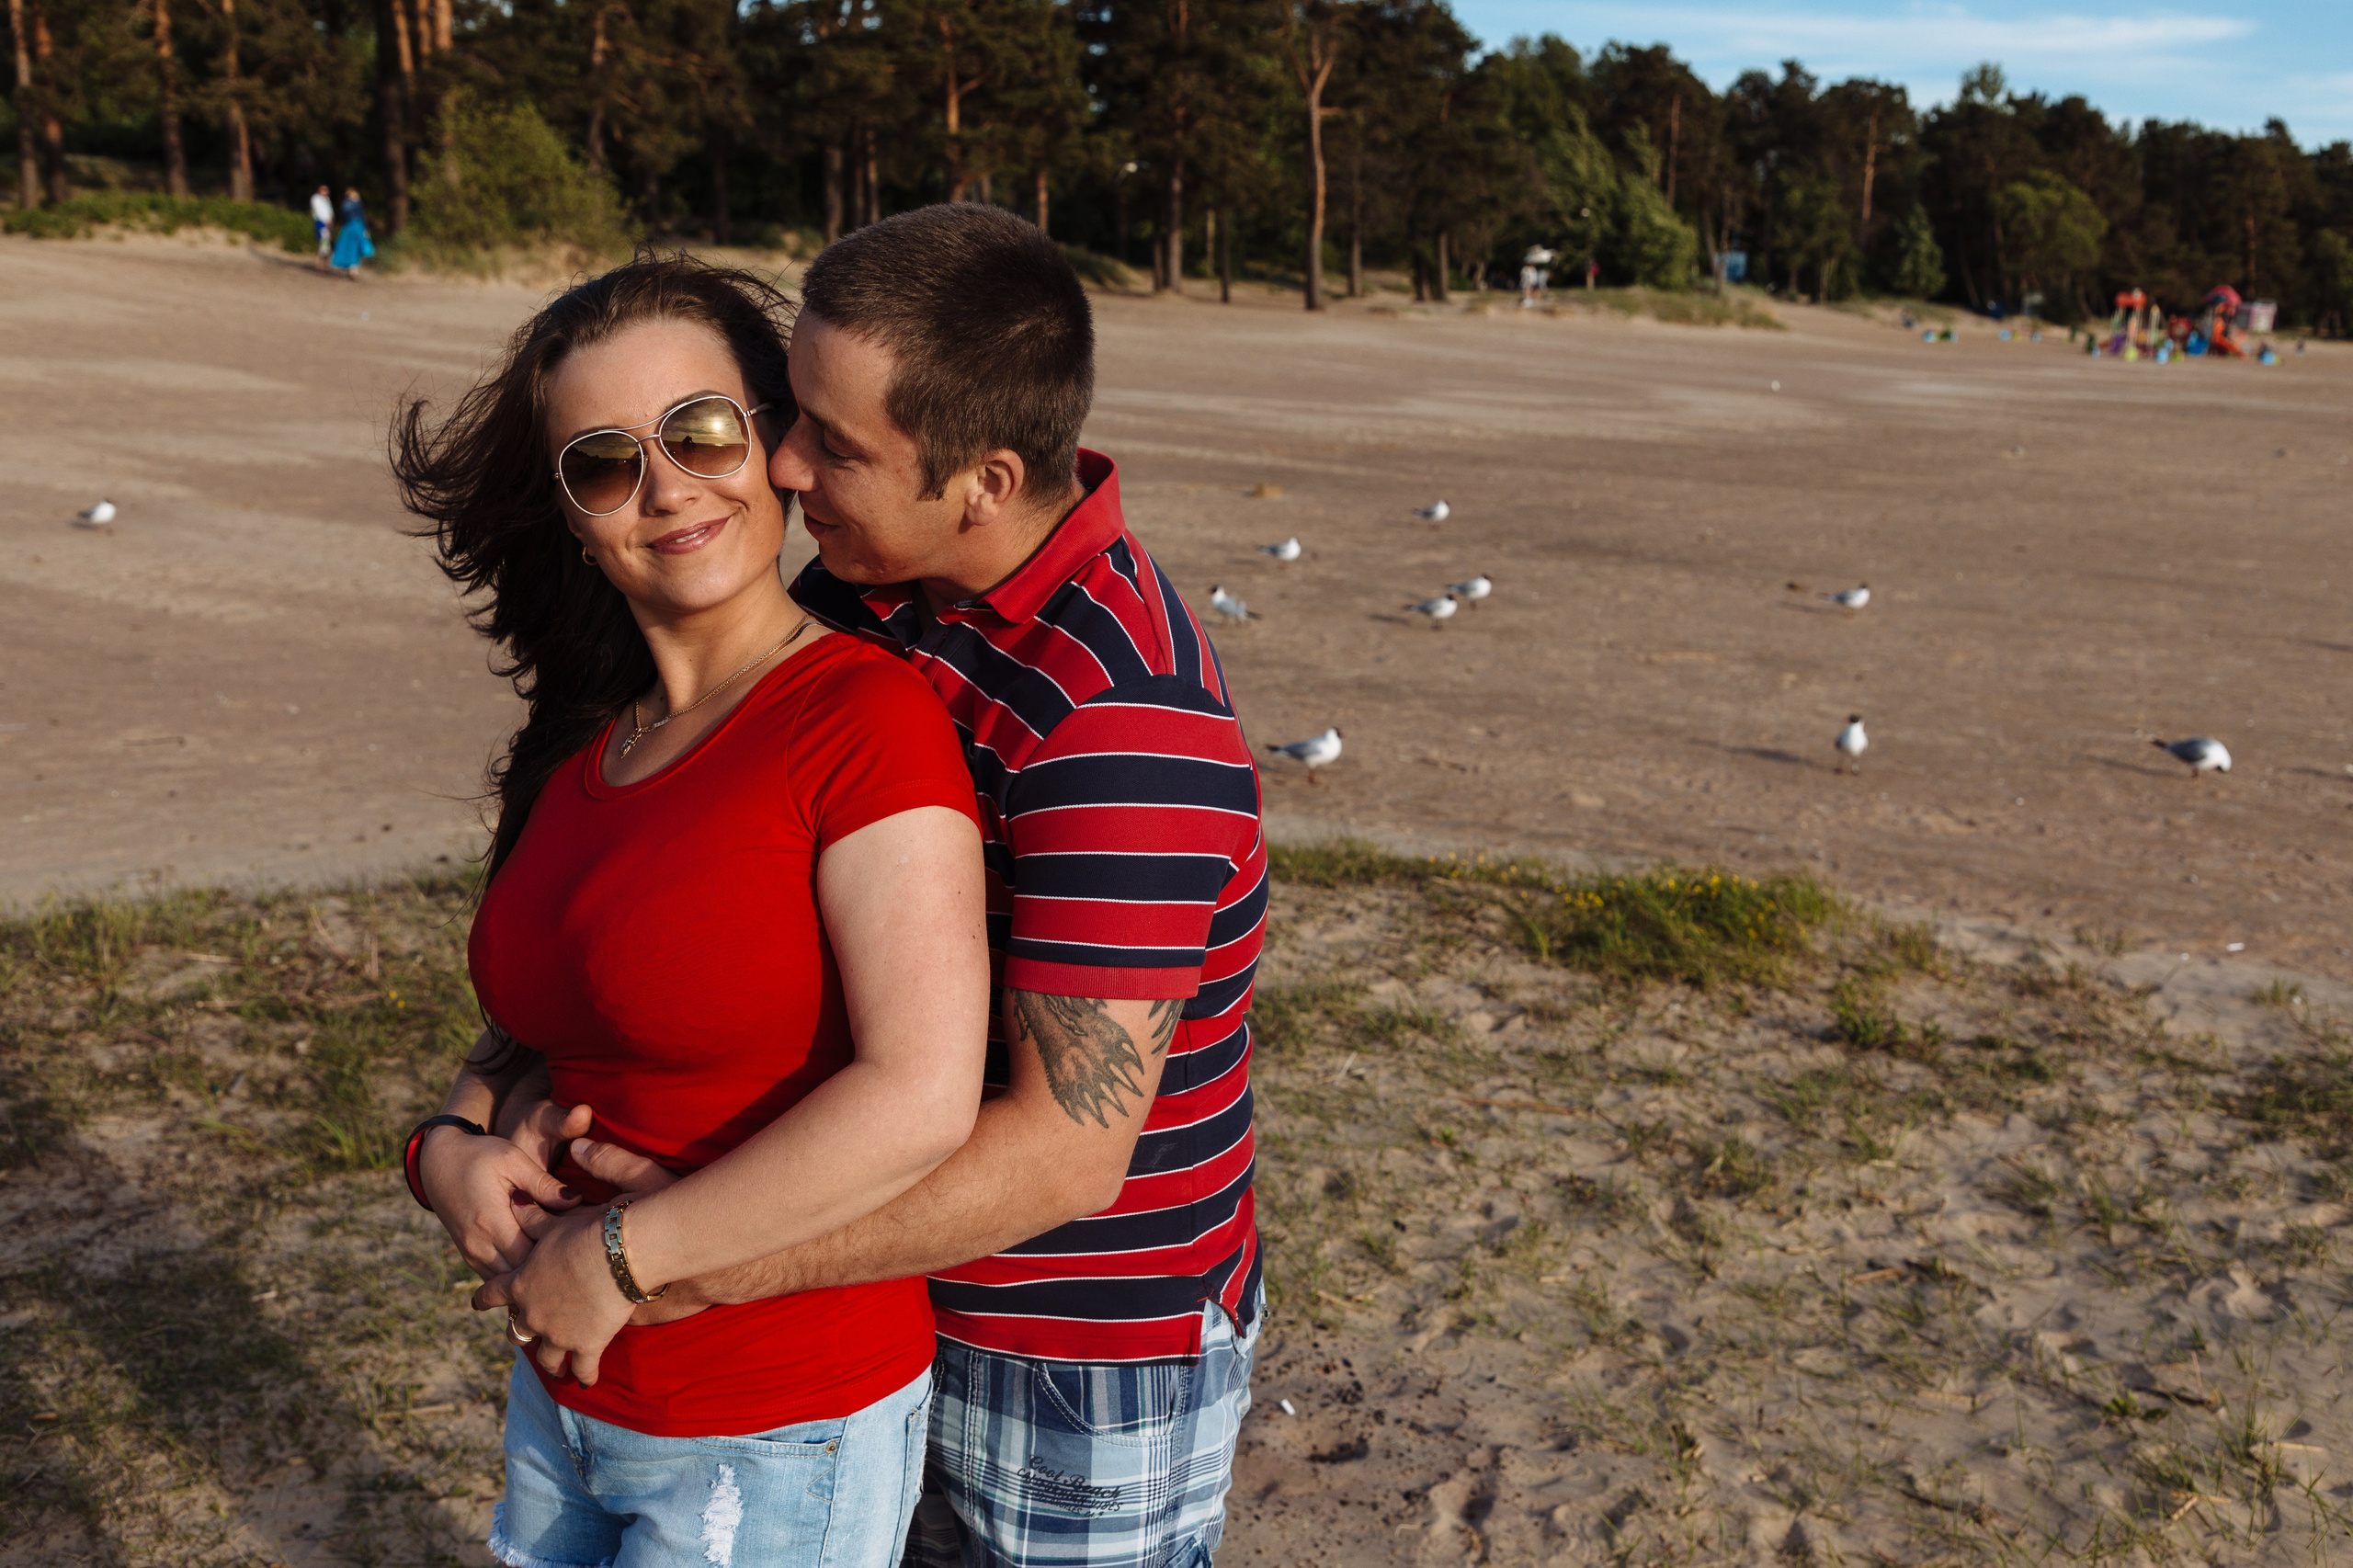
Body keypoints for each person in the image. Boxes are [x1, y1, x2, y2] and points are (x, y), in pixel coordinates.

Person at [517, 205, 1269, 1567]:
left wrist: (693, 1261)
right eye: (790, 414)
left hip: (1071, 1348)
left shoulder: (1118, 715)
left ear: (984, 481)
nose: (787, 466)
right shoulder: (880, 593)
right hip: (884, 1307)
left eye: (835, 443)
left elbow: (1067, 1150)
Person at [391, 252, 993, 1567]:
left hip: (775, 1430)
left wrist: (615, 1256)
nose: (667, 486)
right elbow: (537, 1023)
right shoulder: (587, 744)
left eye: (702, 430)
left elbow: (921, 1093)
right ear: (571, 514)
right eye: (605, 463)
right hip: (565, 1402)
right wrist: (445, 1149)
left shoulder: (863, 720)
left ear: (777, 441)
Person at [329, 187, 374, 276]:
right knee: (356, 247)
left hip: (347, 226)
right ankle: (353, 269)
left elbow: (342, 217)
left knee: (345, 246)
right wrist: (367, 228)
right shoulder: (358, 204)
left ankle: (347, 265)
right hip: (358, 226)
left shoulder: (344, 204)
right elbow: (363, 216)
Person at [310, 185, 335, 269]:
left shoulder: (327, 200)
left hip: (327, 223)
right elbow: (318, 211)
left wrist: (330, 220)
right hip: (321, 222)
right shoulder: (316, 199)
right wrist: (326, 220)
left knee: (326, 242)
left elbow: (330, 212)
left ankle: (322, 262)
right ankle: (319, 261)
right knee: (323, 241)